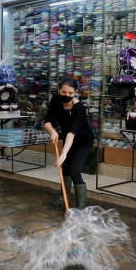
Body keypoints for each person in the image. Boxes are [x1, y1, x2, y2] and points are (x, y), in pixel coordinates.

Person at [44, 76, 94, 209]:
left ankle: (81, 209)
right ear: (59, 90)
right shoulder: (55, 100)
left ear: (75, 92)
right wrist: (52, 131)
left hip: (83, 140)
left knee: (74, 170)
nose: (67, 95)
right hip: (67, 138)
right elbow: (47, 121)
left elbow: (72, 133)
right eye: (64, 92)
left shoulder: (79, 109)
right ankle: (63, 200)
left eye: (70, 93)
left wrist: (64, 154)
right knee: (65, 169)